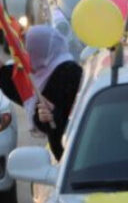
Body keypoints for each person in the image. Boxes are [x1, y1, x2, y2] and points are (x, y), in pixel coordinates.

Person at [0, 25, 82, 160]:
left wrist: (53, 115)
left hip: (74, 158)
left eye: (27, 48)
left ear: (39, 49)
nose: (25, 54)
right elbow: (17, 84)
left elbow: (68, 122)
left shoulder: (67, 75)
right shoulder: (45, 70)